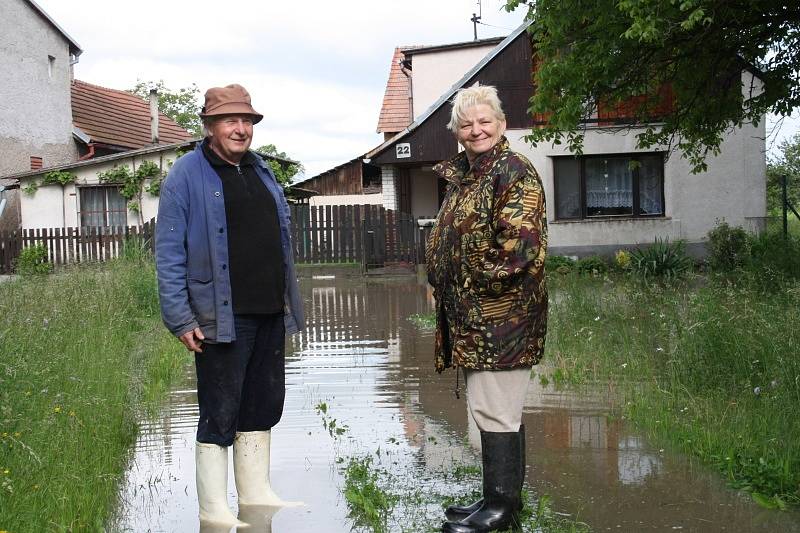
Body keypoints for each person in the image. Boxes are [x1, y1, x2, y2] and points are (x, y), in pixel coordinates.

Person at [155, 83, 305, 526]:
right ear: (210, 125)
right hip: (219, 316)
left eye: (247, 121)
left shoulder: (261, 170)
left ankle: (256, 497)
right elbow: (168, 252)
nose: (240, 129)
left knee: (262, 403)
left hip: (269, 310)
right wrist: (180, 316)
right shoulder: (186, 173)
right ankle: (214, 510)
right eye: (229, 120)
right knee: (220, 410)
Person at [425, 85, 548, 533]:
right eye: (466, 123)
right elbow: (456, 241)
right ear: (456, 130)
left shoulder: (512, 171)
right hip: (474, 318)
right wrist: (437, 279)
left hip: (504, 317)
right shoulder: (470, 175)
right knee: (490, 409)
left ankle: (501, 510)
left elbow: (518, 250)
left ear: (501, 124)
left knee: (498, 410)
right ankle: (498, 502)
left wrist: (459, 285)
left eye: (484, 121)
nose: (475, 129)